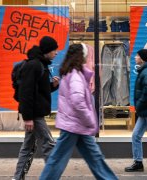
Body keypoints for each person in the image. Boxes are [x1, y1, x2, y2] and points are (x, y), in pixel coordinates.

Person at [40, 43, 118, 180]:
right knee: (59, 159)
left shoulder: (72, 73)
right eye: (86, 54)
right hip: (74, 125)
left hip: (76, 125)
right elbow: (78, 101)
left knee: (94, 157)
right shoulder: (75, 75)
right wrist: (90, 119)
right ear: (81, 56)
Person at [13, 36, 60, 180]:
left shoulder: (41, 64)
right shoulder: (34, 65)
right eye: (54, 50)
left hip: (34, 113)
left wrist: (52, 86)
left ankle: (18, 177)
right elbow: (26, 93)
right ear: (47, 51)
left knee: (28, 147)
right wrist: (28, 118)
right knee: (49, 144)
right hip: (34, 115)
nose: (56, 53)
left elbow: (39, 91)